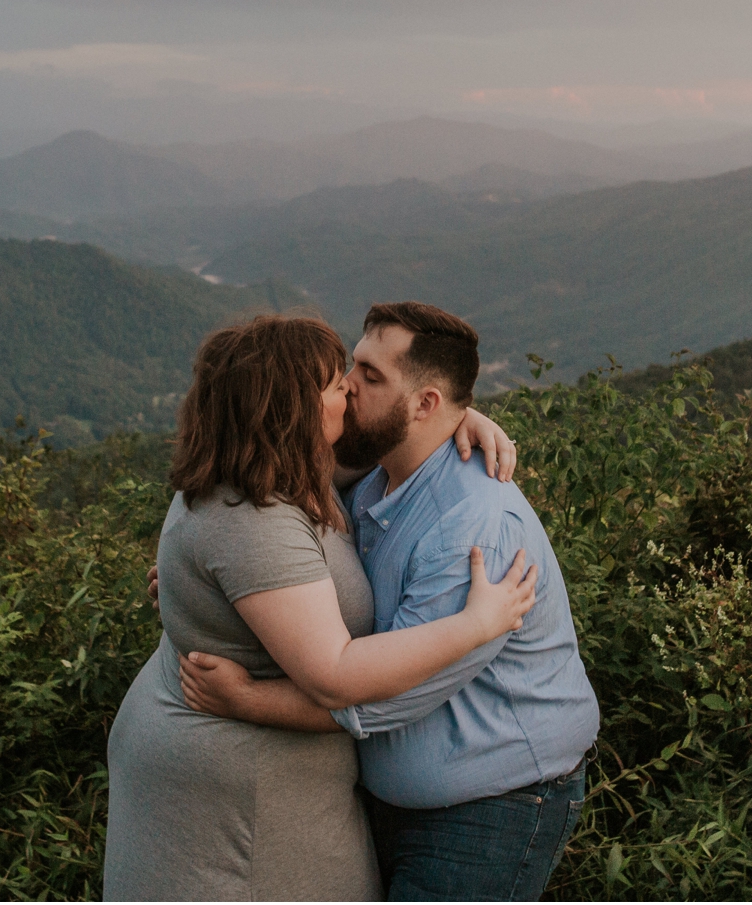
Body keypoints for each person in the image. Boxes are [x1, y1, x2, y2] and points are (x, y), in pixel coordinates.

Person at [103, 313, 538, 901]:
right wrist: (476, 624)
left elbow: (400, 432)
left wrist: (454, 416)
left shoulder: (296, 468)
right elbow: (334, 675)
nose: (351, 390)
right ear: (293, 410)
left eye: (359, 377)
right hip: (237, 797)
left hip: (280, 784)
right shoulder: (253, 519)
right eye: (338, 383)